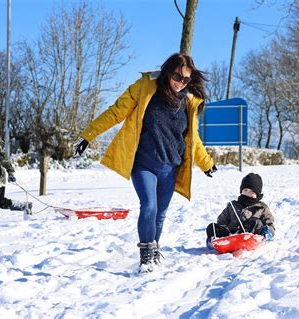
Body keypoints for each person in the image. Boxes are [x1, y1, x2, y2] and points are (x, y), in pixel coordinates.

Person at [75, 53, 217, 272]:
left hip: (170, 167)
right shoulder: (145, 88)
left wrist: (206, 163)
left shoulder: (189, 102)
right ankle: (146, 257)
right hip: (144, 164)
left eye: (186, 80)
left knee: (160, 214)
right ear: (168, 71)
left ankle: (154, 249)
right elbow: (115, 112)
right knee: (149, 206)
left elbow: (193, 139)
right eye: (177, 76)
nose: (180, 82)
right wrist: (88, 135)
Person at [206, 173, 275, 250]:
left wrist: (268, 232)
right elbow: (222, 222)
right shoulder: (232, 206)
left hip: (250, 237)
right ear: (241, 191)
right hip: (231, 235)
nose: (248, 193)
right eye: (245, 190)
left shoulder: (261, 207)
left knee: (255, 222)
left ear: (257, 194)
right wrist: (218, 231)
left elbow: (269, 224)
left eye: (252, 191)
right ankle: (214, 242)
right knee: (211, 227)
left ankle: (247, 238)